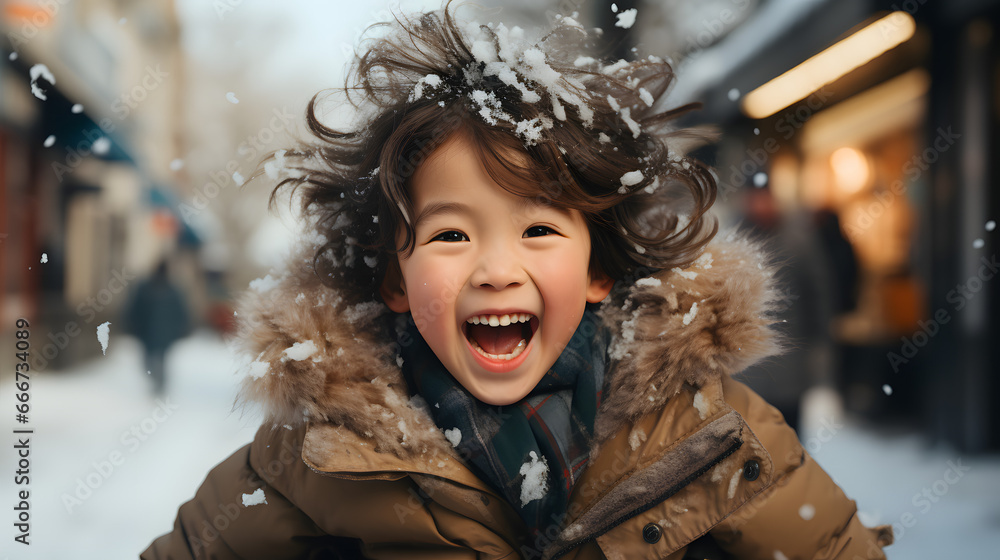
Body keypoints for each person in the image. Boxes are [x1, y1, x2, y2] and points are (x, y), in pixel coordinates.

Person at [142, 4, 893, 558]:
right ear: (395, 280)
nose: (497, 269)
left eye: (538, 230)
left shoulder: (709, 430)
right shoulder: (310, 456)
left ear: (598, 269)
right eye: (450, 235)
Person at [124, 259, 191, 395]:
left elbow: (180, 313)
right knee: (149, 361)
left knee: (160, 360)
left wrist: (182, 328)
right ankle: (155, 381)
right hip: (148, 333)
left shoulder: (172, 291)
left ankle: (159, 385)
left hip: (163, 335)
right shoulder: (145, 288)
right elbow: (135, 308)